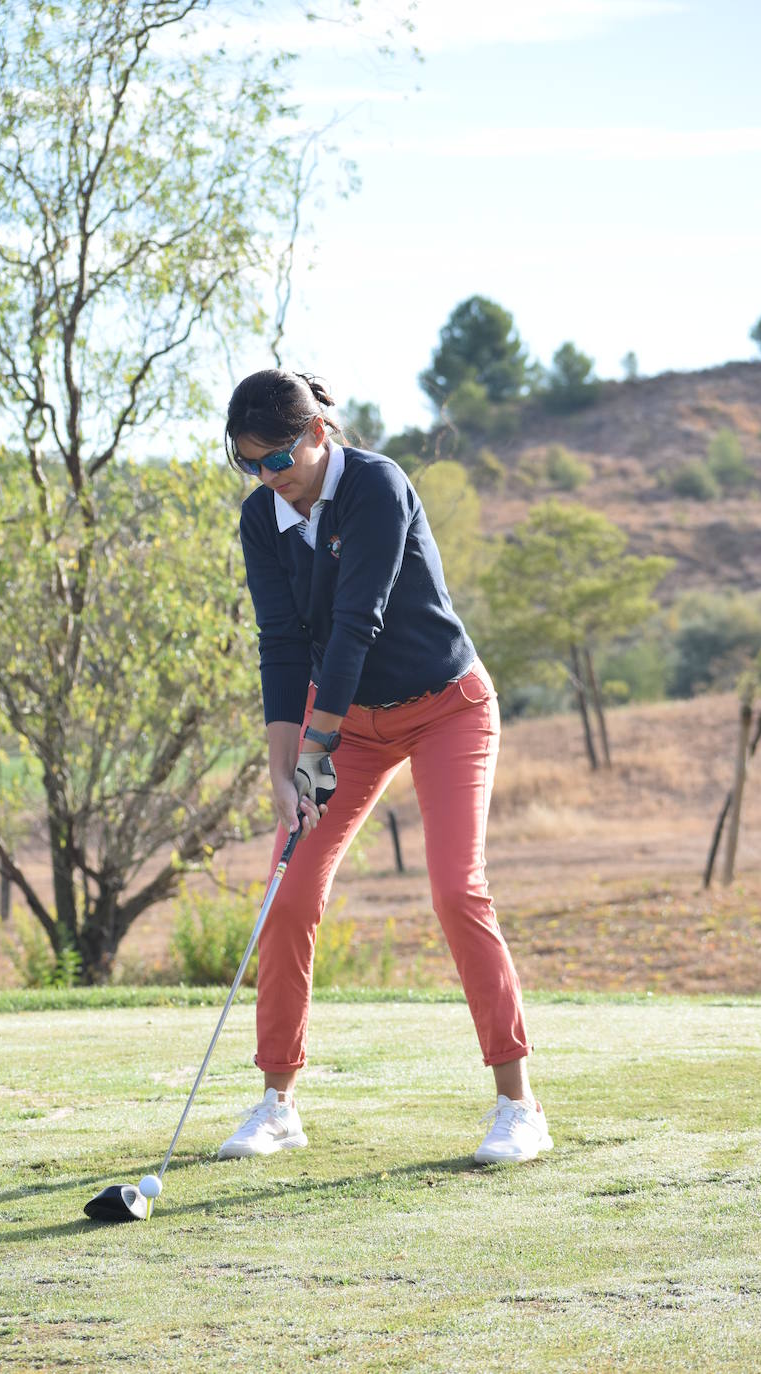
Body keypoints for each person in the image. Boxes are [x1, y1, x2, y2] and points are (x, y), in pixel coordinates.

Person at [217, 368, 552, 1166]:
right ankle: (277, 1101)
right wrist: (283, 775)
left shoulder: (377, 486)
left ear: (317, 434)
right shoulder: (262, 518)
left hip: (447, 707)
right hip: (349, 728)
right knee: (288, 891)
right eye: (248, 465)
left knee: (452, 887)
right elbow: (281, 645)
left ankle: (519, 1106)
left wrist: (315, 749)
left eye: (277, 461)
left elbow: (354, 626)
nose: (268, 479)